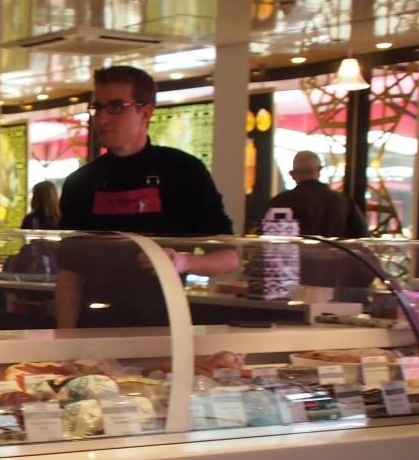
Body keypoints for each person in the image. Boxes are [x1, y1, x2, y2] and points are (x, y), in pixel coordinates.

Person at [56, 65, 239, 328]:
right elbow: (69, 277)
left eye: (116, 106)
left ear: (146, 112)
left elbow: (229, 258)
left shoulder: (183, 171)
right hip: (93, 329)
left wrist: (183, 261)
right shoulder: (81, 182)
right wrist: (66, 341)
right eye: (98, 108)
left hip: (163, 328)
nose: (102, 118)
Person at [266, 150, 368, 238]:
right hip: (334, 255)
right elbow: (362, 237)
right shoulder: (343, 201)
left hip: (296, 255)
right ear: (319, 170)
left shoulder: (280, 202)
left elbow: (272, 241)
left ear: (293, 174)